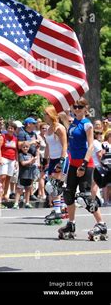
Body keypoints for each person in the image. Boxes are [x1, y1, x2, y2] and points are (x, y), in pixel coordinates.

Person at [59, 97, 107, 241]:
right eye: (75, 107)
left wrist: (84, 164)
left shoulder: (87, 124)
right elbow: (60, 112)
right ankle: (71, 224)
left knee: (85, 197)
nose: (77, 109)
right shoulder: (72, 123)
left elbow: (91, 146)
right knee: (68, 194)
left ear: (86, 109)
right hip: (73, 163)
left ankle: (101, 224)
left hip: (85, 163)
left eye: (80, 107)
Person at [43, 105, 69, 225]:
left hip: (61, 158)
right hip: (52, 159)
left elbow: (65, 145)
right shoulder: (48, 129)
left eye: (46, 114)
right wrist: (45, 160)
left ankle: (57, 210)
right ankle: (62, 207)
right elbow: (48, 146)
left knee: (53, 185)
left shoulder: (60, 128)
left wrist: (62, 161)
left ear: (52, 115)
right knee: (53, 186)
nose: (44, 116)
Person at [0, 122, 19, 207]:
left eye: (12, 128)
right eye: (9, 128)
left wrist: (17, 161)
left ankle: (5, 195)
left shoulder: (15, 138)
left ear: (14, 130)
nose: (10, 129)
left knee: (8, 178)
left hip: (12, 159)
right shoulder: (2, 136)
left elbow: (16, 150)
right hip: (4, 158)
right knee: (3, 176)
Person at [13, 143, 35, 209]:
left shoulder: (30, 155)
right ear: (21, 148)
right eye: (24, 147)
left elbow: (31, 163)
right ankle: (16, 203)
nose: (25, 148)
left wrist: (32, 161)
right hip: (22, 174)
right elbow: (23, 163)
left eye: (27, 147)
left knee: (28, 189)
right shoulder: (20, 155)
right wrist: (31, 160)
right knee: (19, 189)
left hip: (29, 174)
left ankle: (27, 203)